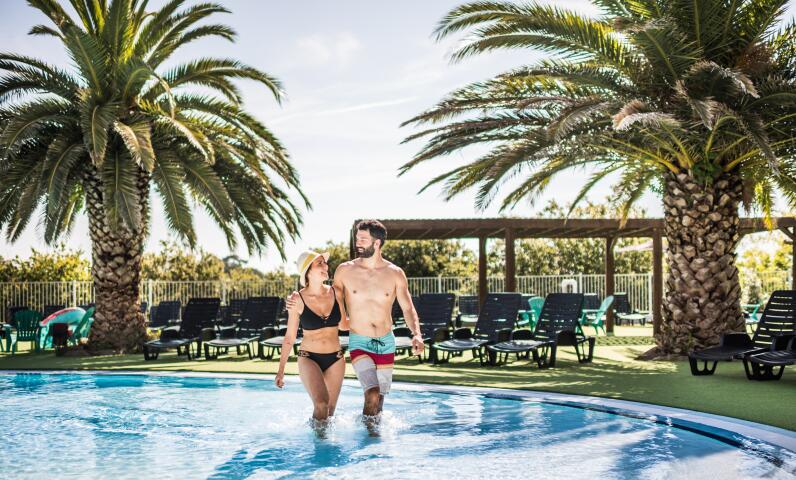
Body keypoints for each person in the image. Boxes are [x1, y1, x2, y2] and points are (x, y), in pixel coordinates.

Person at [288, 220, 424, 421]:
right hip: (359, 341)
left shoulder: (395, 273)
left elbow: (408, 307)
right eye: (357, 238)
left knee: (378, 401)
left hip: (386, 342)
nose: (357, 243)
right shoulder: (345, 270)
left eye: (363, 239)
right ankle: (367, 435)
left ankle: (371, 437)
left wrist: (417, 334)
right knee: (372, 393)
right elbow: (327, 294)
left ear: (377, 243)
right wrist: (298, 297)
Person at [275, 250, 348, 426]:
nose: (325, 266)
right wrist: (281, 370)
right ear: (308, 271)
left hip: (336, 358)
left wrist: (372, 321)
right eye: (319, 263)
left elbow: (344, 325)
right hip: (309, 357)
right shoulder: (297, 299)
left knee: (329, 412)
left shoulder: (336, 292)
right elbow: (290, 336)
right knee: (321, 405)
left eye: (325, 262)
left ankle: (322, 443)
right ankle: (315, 438)